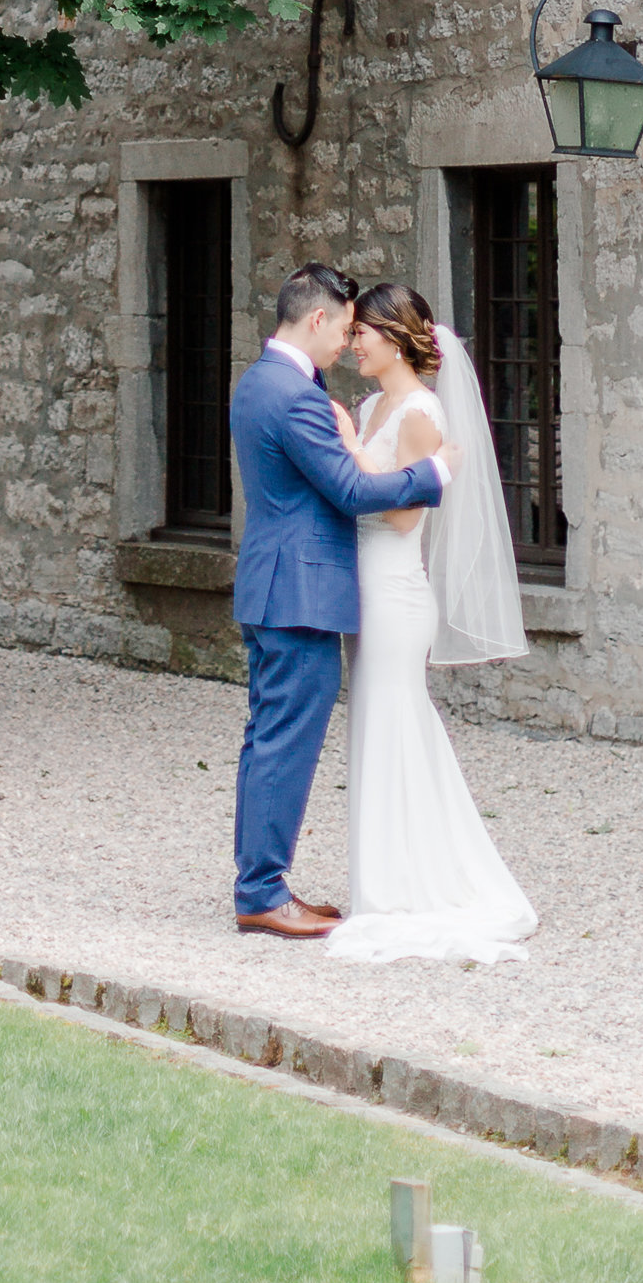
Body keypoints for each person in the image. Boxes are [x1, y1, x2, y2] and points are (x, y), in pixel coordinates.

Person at [229, 263, 459, 939]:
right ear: (317, 319)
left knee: (265, 741)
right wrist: (434, 471)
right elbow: (352, 492)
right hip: (297, 595)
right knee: (283, 745)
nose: (345, 345)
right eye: (343, 330)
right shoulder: (295, 395)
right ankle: (262, 892)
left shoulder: (258, 382)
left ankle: (260, 883)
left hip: (276, 587)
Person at [324, 280, 536, 965]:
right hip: (364, 586)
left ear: (392, 337)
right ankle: (384, 874)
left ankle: (406, 884)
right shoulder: (371, 402)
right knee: (376, 722)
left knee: (391, 717)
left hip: (394, 589)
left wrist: (352, 448)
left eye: (361, 332)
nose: (352, 342)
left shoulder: (417, 411)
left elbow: (403, 514)